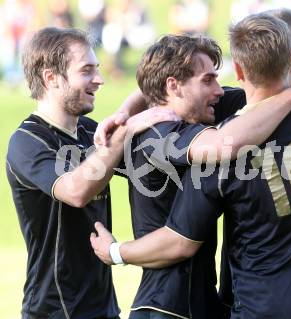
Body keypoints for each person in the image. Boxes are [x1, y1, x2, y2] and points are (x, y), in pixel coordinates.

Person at [91, 12, 291, 319]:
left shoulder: (219, 147)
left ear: (240, 71)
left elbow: (179, 241)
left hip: (254, 308)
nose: (218, 89)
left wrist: (116, 252)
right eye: (210, 79)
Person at [101, 33, 291, 319]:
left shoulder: (197, 112)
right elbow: (224, 145)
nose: (219, 90)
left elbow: (264, 94)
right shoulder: (158, 133)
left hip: (199, 305)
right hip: (166, 308)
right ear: (174, 86)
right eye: (208, 80)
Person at [6, 27, 177, 319]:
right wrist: (125, 132)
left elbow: (145, 160)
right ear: (51, 78)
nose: (98, 79)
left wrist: (160, 82)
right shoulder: (27, 141)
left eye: (96, 69)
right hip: (55, 311)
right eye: (86, 71)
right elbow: (75, 191)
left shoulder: (87, 130)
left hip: (104, 308)